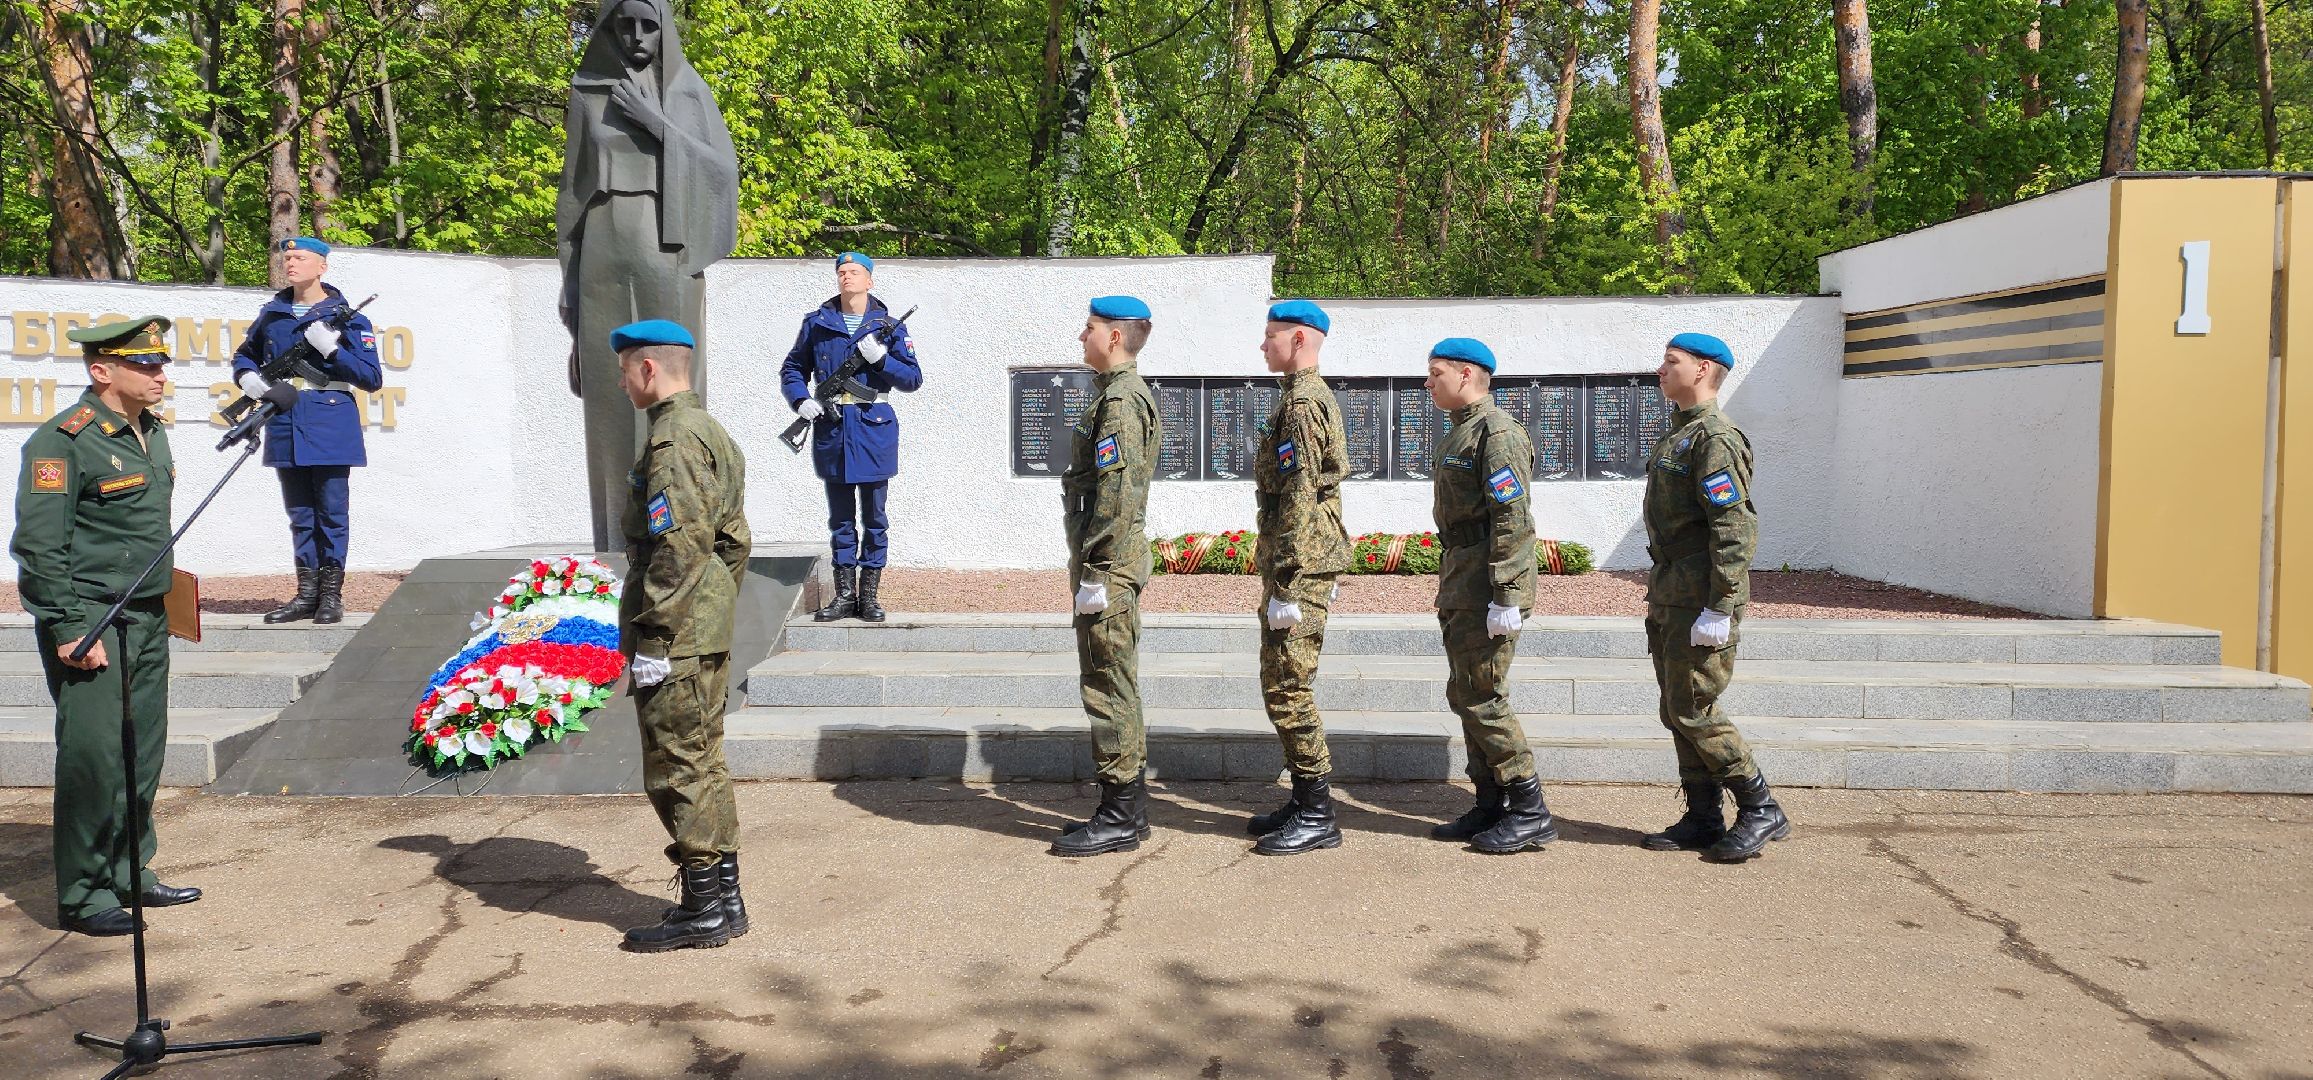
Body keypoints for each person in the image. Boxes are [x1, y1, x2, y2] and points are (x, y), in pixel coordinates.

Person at [11, 317, 203, 936]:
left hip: (148, 613)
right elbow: (40, 546)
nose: (159, 375)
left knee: (140, 750)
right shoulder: (62, 442)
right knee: (94, 756)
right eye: (144, 365)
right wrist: (68, 626)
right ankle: (84, 891)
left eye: (160, 364)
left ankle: (129, 870)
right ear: (102, 371)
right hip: (93, 616)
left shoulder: (152, 434)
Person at [557, 0, 739, 549]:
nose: (636, 36)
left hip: (667, 242)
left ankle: (680, 531)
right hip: (603, 242)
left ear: (665, 29)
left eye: (649, 25)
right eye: (624, 25)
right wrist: (569, 292)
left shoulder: (685, 91)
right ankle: (614, 539)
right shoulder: (589, 92)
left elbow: (721, 172)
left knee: (673, 385)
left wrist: (656, 125)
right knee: (613, 391)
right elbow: (572, 191)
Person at [609, 319, 754, 951]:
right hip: (701, 624)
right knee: (703, 758)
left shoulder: (672, 441)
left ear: (648, 369)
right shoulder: (710, 432)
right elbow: (733, 543)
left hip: (678, 634)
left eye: (624, 370)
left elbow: (680, 546)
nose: (621, 382)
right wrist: (714, 607)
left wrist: (657, 636)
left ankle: (706, 908)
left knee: (679, 762)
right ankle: (722, 897)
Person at [1639, 332, 1789, 862]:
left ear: (1703, 370)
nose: (1660, 368)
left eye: (1671, 361)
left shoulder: (1715, 439)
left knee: (1695, 707)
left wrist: (1720, 606)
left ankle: (1759, 807)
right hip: (1673, 594)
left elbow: (1734, 530)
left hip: (1700, 596)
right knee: (1675, 708)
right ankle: (1703, 815)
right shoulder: (1680, 435)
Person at [1422, 337, 1555, 855]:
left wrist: (1507, 593)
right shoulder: (1462, 433)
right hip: (1463, 575)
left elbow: (1512, 519)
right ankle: (1489, 802)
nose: (1428, 382)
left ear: (1466, 374)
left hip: (1486, 583)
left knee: (1483, 695)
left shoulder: (1496, 434)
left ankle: (1528, 809)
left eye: (1435, 373)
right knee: (1466, 693)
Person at [1050, 296, 1161, 858]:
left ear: (1114, 337)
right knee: (1112, 678)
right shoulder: (1115, 396)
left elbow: (1115, 496)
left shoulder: (1120, 402)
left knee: (1107, 682)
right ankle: (1124, 810)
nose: (1081, 335)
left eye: (1089, 327)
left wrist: (1095, 571)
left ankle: (1120, 815)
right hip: (1110, 564)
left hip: (1109, 568)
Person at [1243, 300, 1352, 856]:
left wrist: (1286, 577)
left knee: (1289, 686)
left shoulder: (1305, 403)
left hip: (1303, 565)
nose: (1263, 345)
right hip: (1301, 561)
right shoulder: (1295, 397)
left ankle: (1317, 812)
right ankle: (1303, 798)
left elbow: (1301, 494)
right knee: (1279, 681)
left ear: (1301, 340)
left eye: (1271, 336)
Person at [230, 236, 385, 625]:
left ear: (322, 266)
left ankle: (331, 597)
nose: (291, 263)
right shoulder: (272, 314)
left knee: (332, 514)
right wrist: (246, 375)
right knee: (300, 514)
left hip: (330, 420)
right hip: (284, 420)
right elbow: (245, 353)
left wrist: (334, 351)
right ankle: (307, 595)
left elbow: (370, 377)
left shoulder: (349, 317)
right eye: (287, 257)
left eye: (300, 257)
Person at [780, 252, 923, 623]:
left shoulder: (887, 325)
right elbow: (793, 368)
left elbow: (912, 379)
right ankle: (845, 596)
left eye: (854, 272)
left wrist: (880, 360)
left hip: (874, 429)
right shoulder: (818, 323)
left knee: (875, 518)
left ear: (869, 280)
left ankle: (869, 596)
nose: (846, 277)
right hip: (832, 427)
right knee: (840, 519)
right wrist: (802, 401)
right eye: (841, 272)